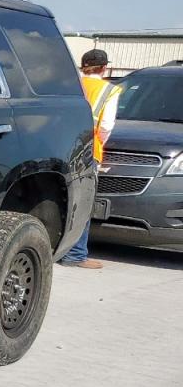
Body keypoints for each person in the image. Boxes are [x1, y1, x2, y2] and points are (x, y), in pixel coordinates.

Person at [62, 48, 120, 269]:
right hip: (87, 150)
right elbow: (105, 126)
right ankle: (76, 254)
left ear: (82, 66)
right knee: (83, 202)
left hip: (61, 147)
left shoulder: (71, 86)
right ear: (105, 68)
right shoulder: (108, 91)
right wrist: (99, 145)